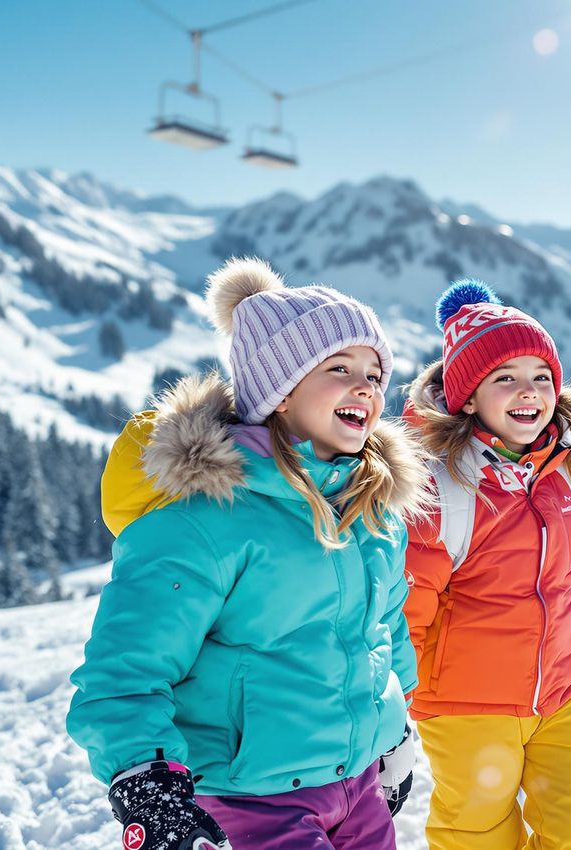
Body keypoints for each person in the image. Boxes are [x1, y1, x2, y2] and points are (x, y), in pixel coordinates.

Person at [68, 257, 428, 850]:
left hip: (357, 787)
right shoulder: (204, 522)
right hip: (249, 797)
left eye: (375, 372)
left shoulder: (374, 510)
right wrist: (143, 778)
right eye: (339, 368)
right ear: (279, 393)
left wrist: (393, 733)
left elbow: (382, 635)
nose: (366, 386)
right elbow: (127, 666)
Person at [403, 280, 571, 850]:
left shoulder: (570, 475)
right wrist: (390, 713)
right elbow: (407, 610)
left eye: (541, 377)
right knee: (478, 837)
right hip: (466, 708)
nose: (529, 391)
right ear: (467, 397)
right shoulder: (440, 485)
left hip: (560, 699)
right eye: (505, 378)